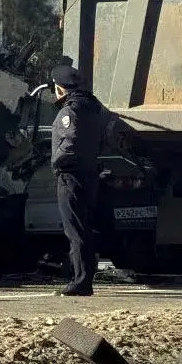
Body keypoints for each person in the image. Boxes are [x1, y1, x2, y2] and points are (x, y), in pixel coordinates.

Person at [49, 63, 110, 297]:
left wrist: (58, 161)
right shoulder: (93, 108)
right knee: (84, 227)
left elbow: (70, 139)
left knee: (74, 229)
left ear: (60, 88)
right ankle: (84, 277)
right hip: (88, 173)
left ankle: (80, 281)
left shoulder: (69, 111)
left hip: (71, 174)